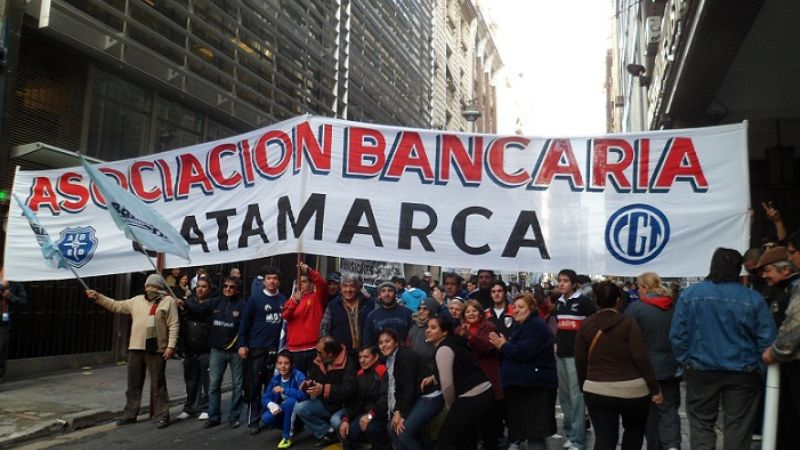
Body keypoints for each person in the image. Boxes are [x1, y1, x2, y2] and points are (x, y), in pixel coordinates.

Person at [669, 248, 776, 450]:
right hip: (743, 373)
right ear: (739, 269)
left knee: (701, 423)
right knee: (738, 426)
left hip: (701, 370)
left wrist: (687, 361)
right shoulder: (753, 299)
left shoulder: (691, 295)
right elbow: (766, 339)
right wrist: (759, 367)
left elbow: (677, 336)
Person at [575, 281, 662, 450]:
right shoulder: (628, 323)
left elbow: (580, 359)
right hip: (633, 390)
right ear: (618, 301)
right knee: (634, 432)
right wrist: (654, 388)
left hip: (597, 389)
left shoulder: (586, 325)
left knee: (604, 438)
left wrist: (583, 385)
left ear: (596, 301)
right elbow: (640, 357)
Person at [85, 274, 178, 428]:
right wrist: (98, 297)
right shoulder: (137, 301)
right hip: (135, 348)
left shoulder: (168, 302)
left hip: (156, 350)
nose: (151, 289)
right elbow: (116, 305)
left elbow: (174, 325)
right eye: (149, 286)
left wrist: (170, 346)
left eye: (155, 287)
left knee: (158, 384)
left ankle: (162, 415)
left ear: (161, 288)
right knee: (133, 384)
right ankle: (130, 414)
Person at [489, 293, 557, 450]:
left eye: (521, 307)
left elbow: (523, 353)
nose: (516, 310)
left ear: (531, 308)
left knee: (535, 433)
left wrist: (503, 345)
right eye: (514, 307)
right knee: (527, 431)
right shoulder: (522, 325)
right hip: (523, 387)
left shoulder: (535, 326)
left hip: (535, 388)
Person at [625, 273, 681, 450]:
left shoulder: (636, 309)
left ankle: (654, 446)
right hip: (670, 368)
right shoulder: (673, 306)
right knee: (669, 410)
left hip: (645, 369)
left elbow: (627, 339)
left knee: (650, 412)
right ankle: (672, 446)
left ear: (644, 288)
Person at [422, 315, 493, 450]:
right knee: (466, 438)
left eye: (433, 328)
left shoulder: (444, 349)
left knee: (447, 439)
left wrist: (451, 407)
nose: (428, 331)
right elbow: (456, 367)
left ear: (444, 332)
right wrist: (434, 377)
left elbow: (447, 385)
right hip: (484, 392)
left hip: (473, 395)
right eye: (427, 327)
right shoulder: (453, 343)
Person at [760, 245, 800, 448]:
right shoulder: (782, 290)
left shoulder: (795, 288)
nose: (764, 276)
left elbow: (795, 326)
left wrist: (775, 351)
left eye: (768, 270)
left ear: (785, 270)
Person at [554, 268, 596, 450]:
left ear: (574, 283)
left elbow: (594, 327)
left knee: (577, 398)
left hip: (576, 357)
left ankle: (578, 440)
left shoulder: (584, 303)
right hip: (560, 356)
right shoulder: (559, 302)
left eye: (565, 280)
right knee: (564, 398)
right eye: (559, 280)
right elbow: (559, 328)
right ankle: (570, 435)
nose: (561, 284)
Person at [240, 267, 285, 434]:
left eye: (275, 278)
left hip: (277, 351)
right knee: (255, 386)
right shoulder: (255, 299)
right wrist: (242, 345)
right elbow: (244, 323)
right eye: (268, 278)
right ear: (264, 281)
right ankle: (253, 420)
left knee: (272, 386)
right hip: (257, 349)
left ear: (279, 281)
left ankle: (269, 417)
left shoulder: (283, 299)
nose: (272, 281)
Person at [381, 328, 441, 450]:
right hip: (416, 396)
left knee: (404, 432)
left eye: (387, 341)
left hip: (430, 395)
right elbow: (399, 389)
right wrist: (397, 411)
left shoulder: (405, 356)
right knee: (391, 427)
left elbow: (409, 388)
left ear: (396, 342)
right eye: (381, 343)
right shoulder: (391, 360)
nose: (383, 345)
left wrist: (402, 414)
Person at [200, 276, 247, 429]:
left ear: (237, 290)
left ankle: (234, 417)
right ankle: (214, 416)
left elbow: (245, 329)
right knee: (213, 385)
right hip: (217, 351)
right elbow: (199, 309)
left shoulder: (242, 306)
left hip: (235, 353)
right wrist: (183, 303)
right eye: (225, 286)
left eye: (231, 287)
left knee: (238, 386)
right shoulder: (215, 302)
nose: (227, 289)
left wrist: (242, 346)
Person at [295, 335, 357, 446]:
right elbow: (313, 378)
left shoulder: (349, 363)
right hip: (326, 404)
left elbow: (349, 389)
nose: (317, 355)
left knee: (336, 421)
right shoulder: (319, 360)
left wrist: (324, 389)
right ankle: (327, 432)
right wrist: (308, 383)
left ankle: (349, 442)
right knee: (300, 408)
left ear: (330, 354)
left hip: (343, 406)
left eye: (320, 352)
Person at [459, 299, 503, 450]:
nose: (471, 314)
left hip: (487, 378)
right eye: (468, 311)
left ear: (480, 312)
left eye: (474, 310)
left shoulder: (489, 327)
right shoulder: (459, 329)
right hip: (468, 380)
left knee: (489, 425)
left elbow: (488, 348)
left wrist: (470, 337)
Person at [175, 276, 213, 421]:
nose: (200, 289)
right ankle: (190, 407)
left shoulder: (211, 304)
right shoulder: (190, 303)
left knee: (207, 382)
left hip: (206, 349)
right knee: (191, 380)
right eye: (198, 286)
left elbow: (200, 311)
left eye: (203, 286)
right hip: (190, 350)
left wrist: (184, 304)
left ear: (209, 289)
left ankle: (206, 407)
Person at [340, 345, 391, 450]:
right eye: (360, 357)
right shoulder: (360, 375)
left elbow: (386, 399)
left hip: (381, 414)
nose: (362, 360)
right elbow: (356, 401)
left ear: (376, 357)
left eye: (366, 357)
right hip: (365, 414)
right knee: (347, 431)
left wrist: (370, 416)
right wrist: (346, 418)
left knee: (372, 429)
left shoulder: (383, 371)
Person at [282, 263, 327, 374]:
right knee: (298, 383)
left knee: (313, 382)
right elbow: (285, 316)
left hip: (313, 348)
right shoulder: (290, 301)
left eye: (304, 282)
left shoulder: (316, 297)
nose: (301, 285)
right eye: (298, 282)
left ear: (311, 284)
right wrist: (294, 302)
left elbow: (322, 284)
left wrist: (309, 271)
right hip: (295, 350)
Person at [261, 350, 308, 449]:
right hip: (286, 413)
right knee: (266, 417)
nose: (283, 366)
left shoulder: (299, 376)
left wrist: (284, 390)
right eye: (280, 363)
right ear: (276, 365)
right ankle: (290, 426)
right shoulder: (276, 379)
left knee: (290, 402)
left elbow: (304, 396)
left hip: (300, 413)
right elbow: (265, 397)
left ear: (292, 365)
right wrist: (271, 405)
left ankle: (287, 437)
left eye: (286, 363)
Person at [320, 274, 375, 356]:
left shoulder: (369, 303)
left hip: (367, 353)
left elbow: (377, 325)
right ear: (341, 288)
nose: (348, 290)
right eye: (345, 286)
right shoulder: (333, 305)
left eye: (352, 286)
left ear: (358, 288)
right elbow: (324, 329)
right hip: (341, 354)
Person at [362, 281, 413, 345]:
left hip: (403, 353)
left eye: (390, 290)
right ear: (379, 295)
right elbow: (367, 341)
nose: (387, 294)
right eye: (383, 291)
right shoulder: (372, 316)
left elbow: (413, 338)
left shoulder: (408, 313)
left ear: (395, 294)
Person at [0, 266, 27, 384]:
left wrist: (9, 295)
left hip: (3, 323)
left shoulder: (16, 284)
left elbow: (23, 301)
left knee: (1, 351)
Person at [408, 298, 440, 365]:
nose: (421, 311)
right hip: (413, 364)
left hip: (429, 366)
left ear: (432, 311)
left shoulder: (437, 327)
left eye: (425, 309)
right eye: (420, 308)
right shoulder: (414, 325)